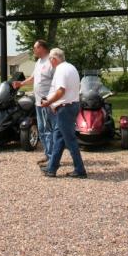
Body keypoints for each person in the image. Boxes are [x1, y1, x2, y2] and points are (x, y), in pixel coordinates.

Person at [41, 48, 87, 179]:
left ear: (53, 59)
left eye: (50, 60)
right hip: (72, 106)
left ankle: (80, 169)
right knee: (59, 138)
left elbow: (61, 91)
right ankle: (52, 168)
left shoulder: (60, 70)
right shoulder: (71, 67)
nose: (50, 63)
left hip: (65, 108)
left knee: (70, 140)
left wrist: (48, 102)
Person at [12, 39, 55, 166]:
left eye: (35, 48)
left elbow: (57, 81)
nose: (33, 50)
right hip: (38, 102)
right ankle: (48, 155)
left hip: (47, 102)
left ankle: (53, 158)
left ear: (42, 48)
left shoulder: (51, 62)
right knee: (41, 129)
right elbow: (34, 77)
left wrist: (52, 100)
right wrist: (21, 83)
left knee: (48, 129)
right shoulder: (38, 62)